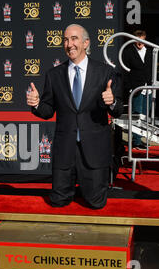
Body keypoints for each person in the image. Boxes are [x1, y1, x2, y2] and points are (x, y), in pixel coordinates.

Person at [27, 24, 123, 209]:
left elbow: (117, 110)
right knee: (58, 202)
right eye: (65, 39)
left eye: (74, 39)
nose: (69, 44)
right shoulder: (54, 75)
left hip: (95, 151)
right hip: (65, 151)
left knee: (96, 204)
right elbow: (48, 111)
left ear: (86, 43)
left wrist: (111, 102)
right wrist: (37, 104)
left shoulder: (105, 72)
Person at [123, 30, 153, 150]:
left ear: (145, 39)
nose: (140, 42)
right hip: (136, 88)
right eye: (137, 39)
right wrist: (129, 88)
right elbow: (124, 72)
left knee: (145, 115)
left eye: (142, 40)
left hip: (149, 88)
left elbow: (151, 69)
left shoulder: (151, 52)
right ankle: (135, 141)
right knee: (136, 115)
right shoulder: (128, 52)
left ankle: (141, 139)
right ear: (133, 40)